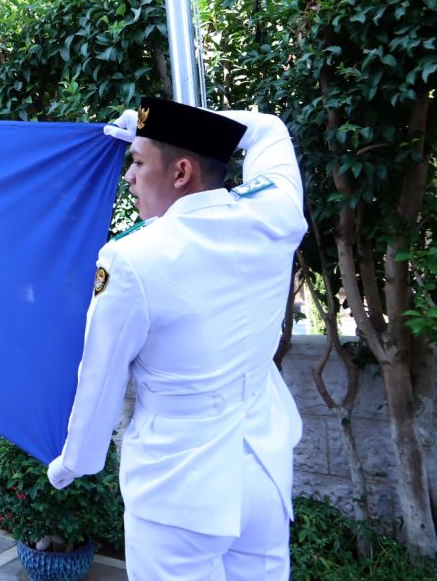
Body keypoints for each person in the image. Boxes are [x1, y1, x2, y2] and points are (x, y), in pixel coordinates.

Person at [47, 97, 306, 580]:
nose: (129, 177)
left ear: (181, 172)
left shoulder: (132, 259)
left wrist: (74, 463)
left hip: (179, 485)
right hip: (262, 469)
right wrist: (175, 126)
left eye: (138, 161)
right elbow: (268, 129)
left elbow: (100, 380)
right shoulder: (276, 211)